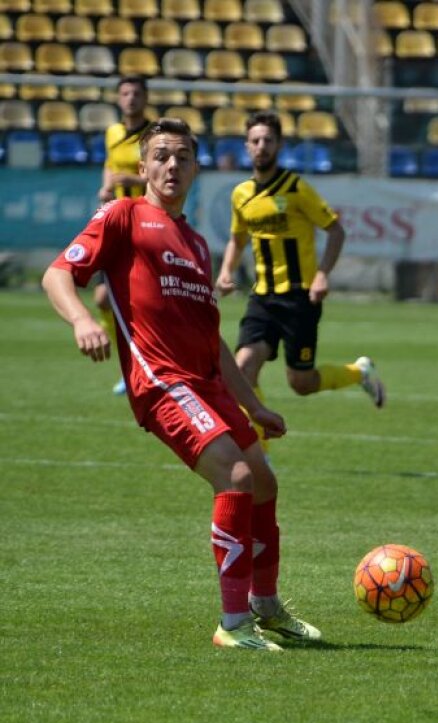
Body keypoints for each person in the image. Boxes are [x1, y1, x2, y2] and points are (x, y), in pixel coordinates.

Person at [42, 118, 321, 651]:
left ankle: (266, 607)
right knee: (236, 476)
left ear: (196, 169)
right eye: (162, 156)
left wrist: (254, 405)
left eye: (183, 157)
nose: (173, 165)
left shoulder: (195, 242)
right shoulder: (122, 216)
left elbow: (213, 340)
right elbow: (57, 273)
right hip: (161, 382)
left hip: (207, 383)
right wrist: (81, 319)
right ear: (143, 167)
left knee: (263, 481)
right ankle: (233, 624)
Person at [215, 110, 384, 449]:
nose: (262, 146)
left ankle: (359, 372)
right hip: (262, 297)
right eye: (255, 141)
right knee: (242, 369)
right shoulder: (241, 194)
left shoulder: (296, 189)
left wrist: (322, 274)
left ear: (279, 145)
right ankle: (259, 452)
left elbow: (335, 231)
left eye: (268, 140)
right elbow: (238, 237)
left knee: (301, 383)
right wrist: (226, 271)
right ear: (246, 146)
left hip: (299, 298)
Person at [96, 74, 153, 396]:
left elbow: (162, 176)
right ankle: (128, 364)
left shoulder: (153, 135)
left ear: (145, 98)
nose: (131, 98)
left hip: (145, 220)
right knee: (105, 297)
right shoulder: (113, 132)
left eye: (136, 93)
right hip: (118, 222)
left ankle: (146, 367)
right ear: (119, 98)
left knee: (143, 302)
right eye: (125, 93)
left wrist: (131, 176)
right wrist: (106, 185)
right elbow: (109, 163)